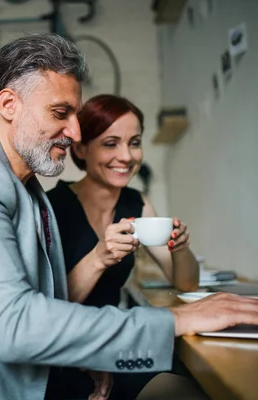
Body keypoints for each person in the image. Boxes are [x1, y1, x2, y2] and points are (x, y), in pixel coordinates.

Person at [0, 33, 258, 400]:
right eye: (60, 113)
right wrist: (180, 317)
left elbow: (45, 308)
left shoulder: (29, 192)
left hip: (19, 378)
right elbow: (15, 325)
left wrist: (90, 354)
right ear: (9, 104)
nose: (77, 133)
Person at [46, 95, 199, 399]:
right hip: (64, 354)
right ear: (80, 148)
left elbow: (186, 283)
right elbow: (48, 309)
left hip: (113, 342)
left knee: (188, 386)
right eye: (110, 143)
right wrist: (100, 257)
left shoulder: (137, 203)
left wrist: (180, 248)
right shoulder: (53, 207)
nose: (127, 156)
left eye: (135, 142)